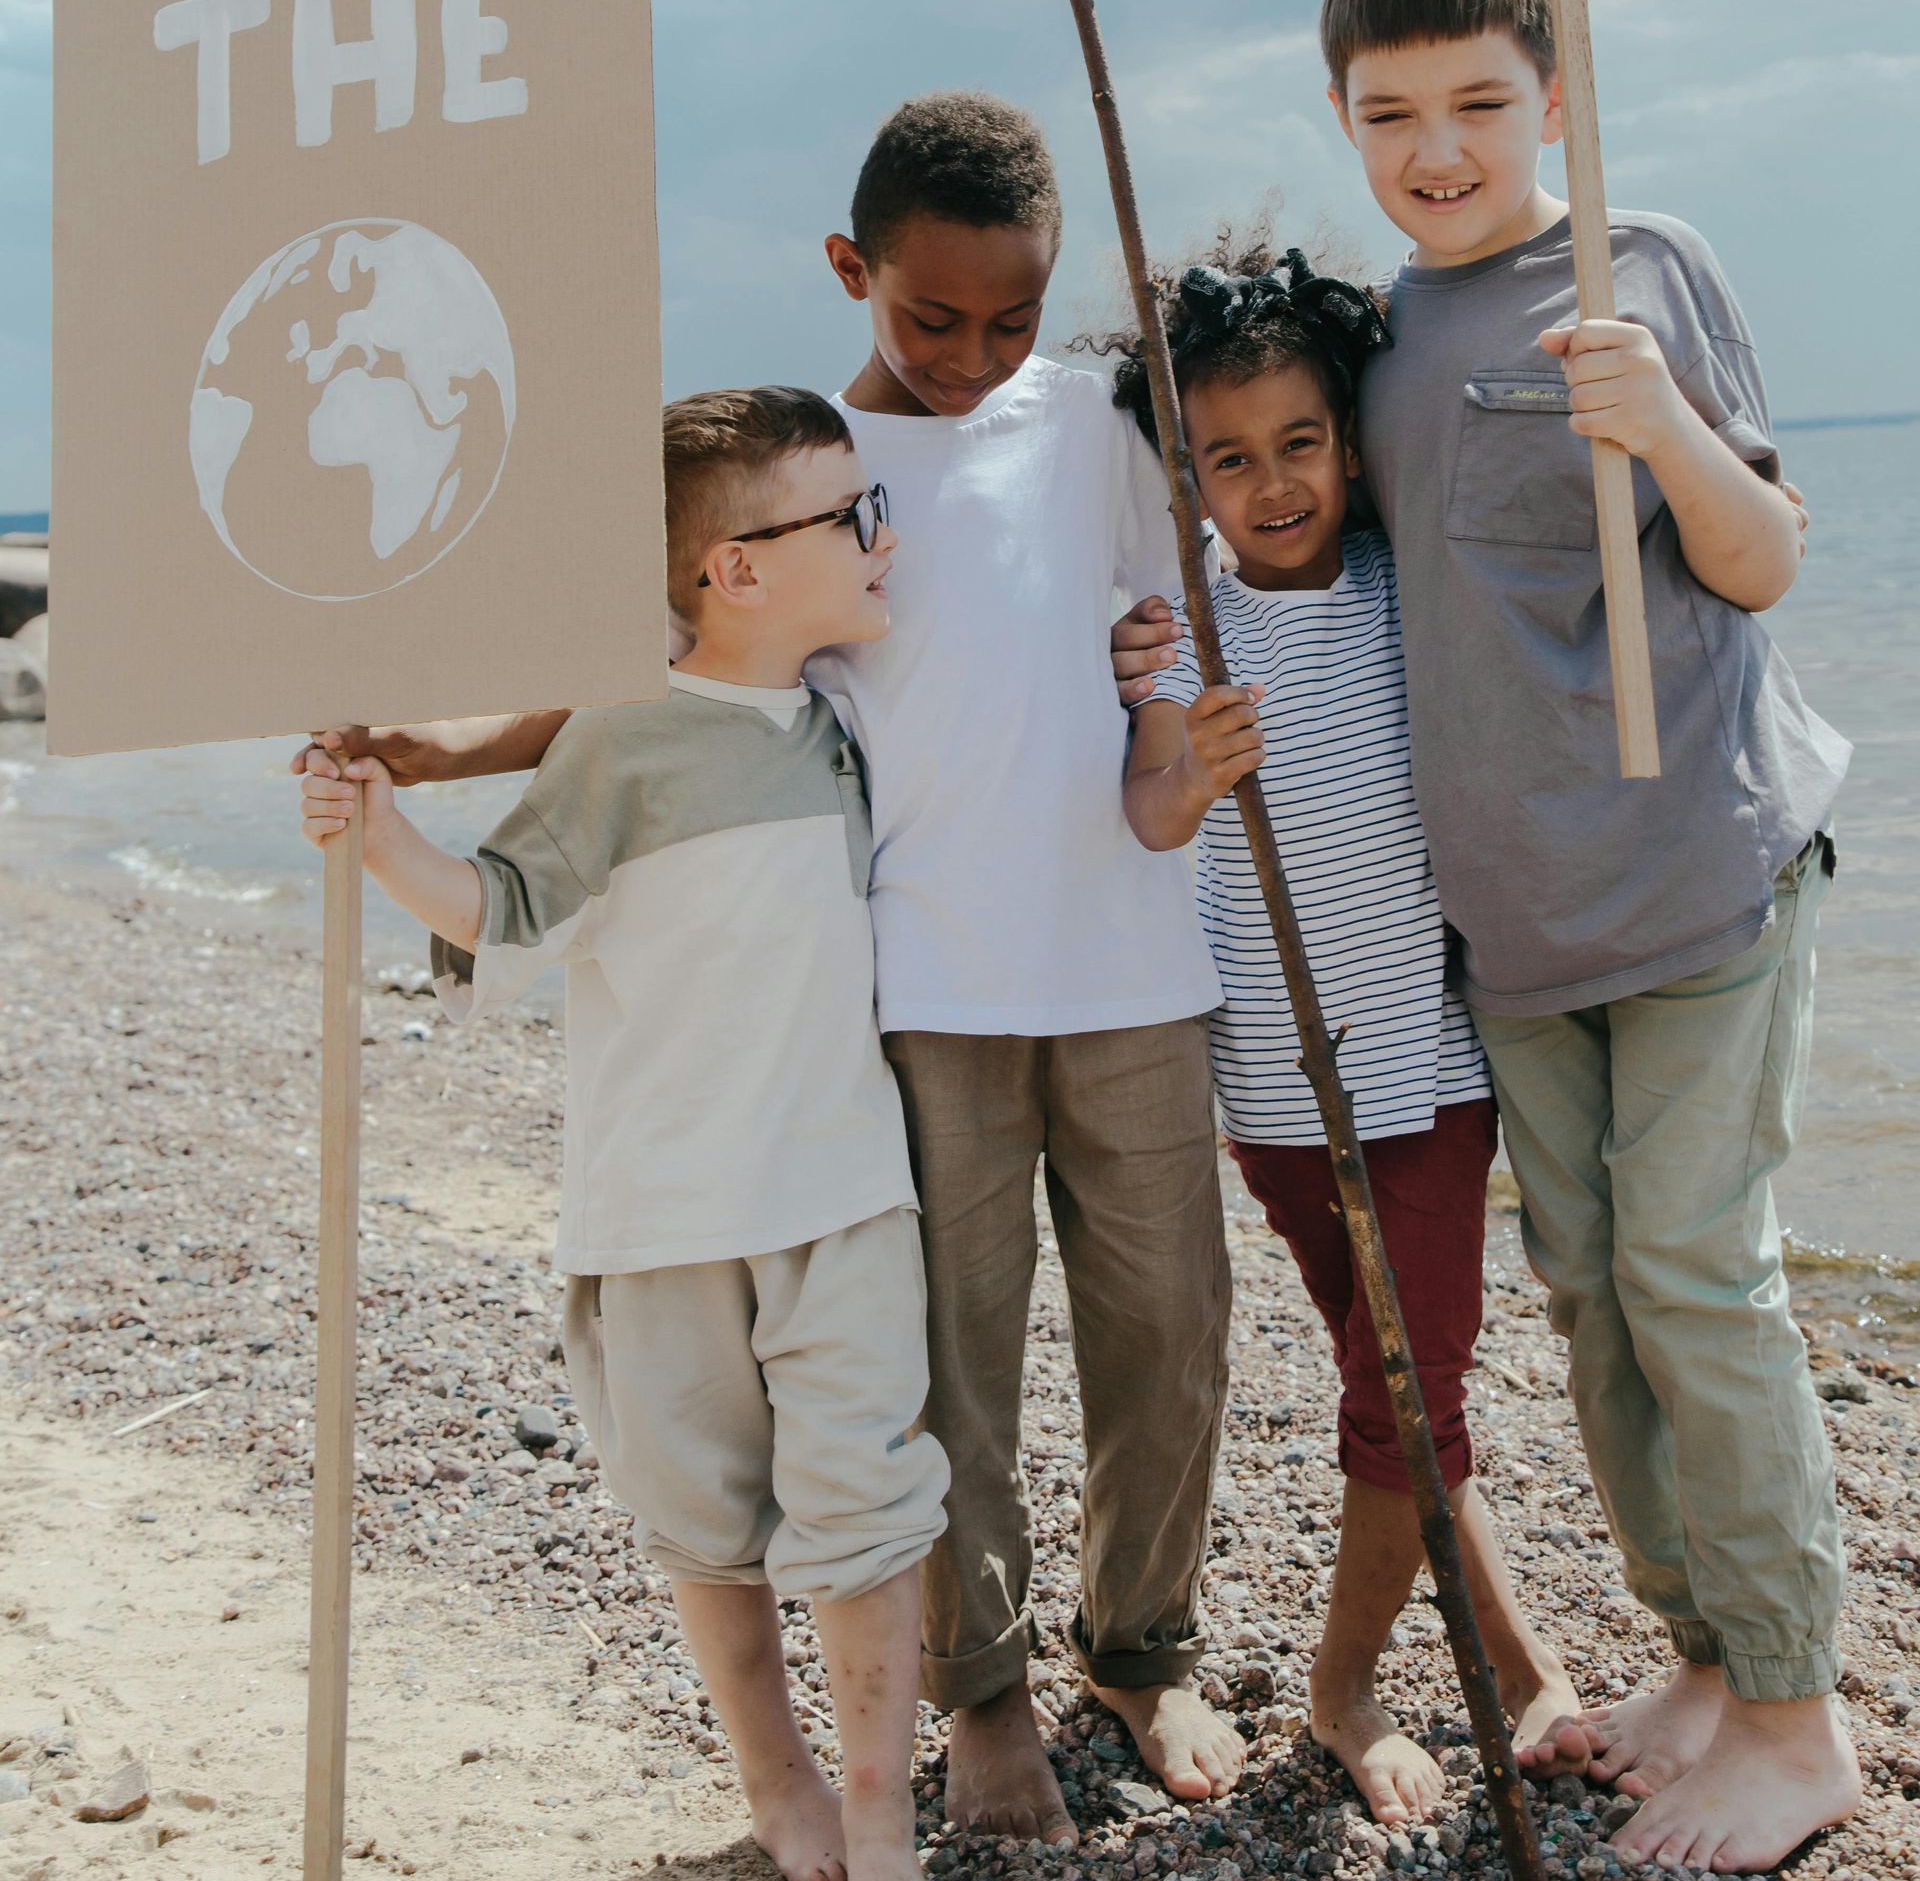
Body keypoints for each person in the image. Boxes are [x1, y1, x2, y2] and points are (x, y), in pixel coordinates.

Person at [304, 94, 1243, 1847]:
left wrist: (1177, 681)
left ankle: (1144, 1641)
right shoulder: (804, 470)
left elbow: (1201, 589)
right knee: (946, 1373)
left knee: (1171, 1330)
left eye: (1014, 318)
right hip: (919, 994)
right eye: (933, 317)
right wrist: (437, 756)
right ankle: (985, 1696)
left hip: (1127, 960)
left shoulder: (1102, 422)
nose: (976, 355)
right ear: (851, 273)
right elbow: (659, 673)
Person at [1117, 0, 1855, 1876]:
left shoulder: (1640, 266)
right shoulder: (1386, 337)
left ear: (1557, 95)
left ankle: (1798, 1709)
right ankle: (1704, 1652)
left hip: (1695, 875)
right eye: (1390, 112)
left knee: (1701, 1273)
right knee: (1599, 1296)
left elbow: (1767, 557)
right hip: (1516, 940)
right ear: (1343, 119)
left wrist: (1661, 424)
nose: (1438, 145)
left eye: (1480, 102)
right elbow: (1293, 552)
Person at [300, 387, 945, 1881]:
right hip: (658, 1212)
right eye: (856, 518)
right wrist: (381, 828)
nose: (884, 539)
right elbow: (503, 909)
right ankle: (780, 1790)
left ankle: (881, 1811)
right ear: (734, 572)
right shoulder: (628, 737)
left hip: (844, 1195)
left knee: (864, 1508)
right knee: (706, 1527)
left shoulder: (842, 719)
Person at [1100, 232, 1575, 1830]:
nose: (1274, 482)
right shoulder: (1184, 629)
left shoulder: (1397, 588)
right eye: (1229, 459)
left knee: (1411, 1381)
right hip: (1282, 1092)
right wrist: (1191, 772)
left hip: (1431, 1069)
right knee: (1402, 1382)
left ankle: (1375, 1673)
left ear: (1347, 443)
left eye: (1302, 442)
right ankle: (1436, 1678)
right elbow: (1152, 818)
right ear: (1187, 475)